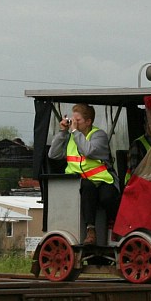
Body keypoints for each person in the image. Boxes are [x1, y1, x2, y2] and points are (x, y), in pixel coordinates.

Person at [48, 103, 120, 245]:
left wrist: (75, 132)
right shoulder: (70, 137)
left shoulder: (99, 135)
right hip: (80, 182)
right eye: (72, 120)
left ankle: (116, 223)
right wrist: (63, 132)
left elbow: (89, 151)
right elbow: (53, 154)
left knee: (107, 197)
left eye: (77, 120)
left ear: (88, 122)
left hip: (102, 179)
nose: (73, 123)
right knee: (87, 187)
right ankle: (90, 231)